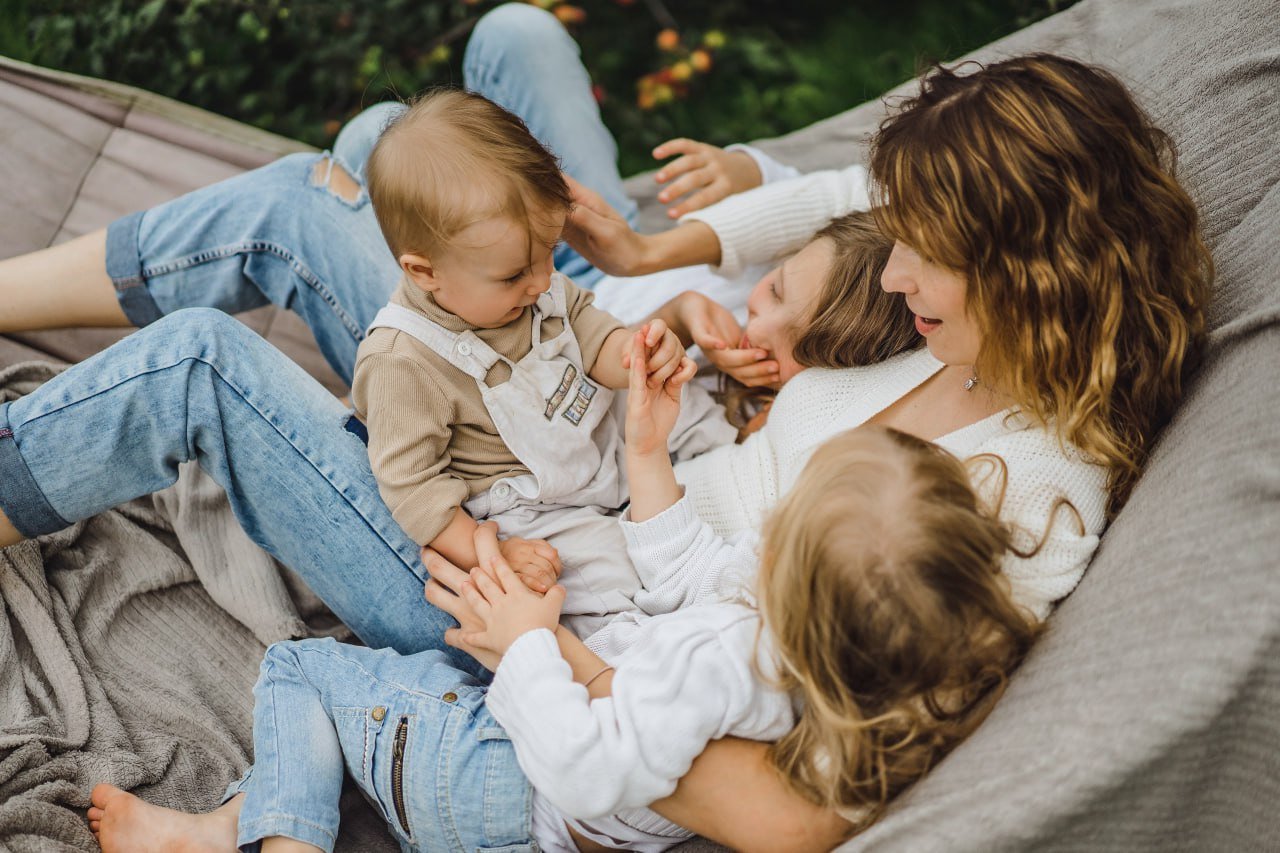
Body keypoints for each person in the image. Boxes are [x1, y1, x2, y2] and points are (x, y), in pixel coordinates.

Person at [0, 4, 1211, 845]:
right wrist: (696, 314)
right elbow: (855, 207)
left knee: (217, 351)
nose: (890, 272)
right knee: (384, 145)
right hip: (628, 469)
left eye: (924, 259)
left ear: (1025, 273)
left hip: (542, 585)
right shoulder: (969, 329)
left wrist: (541, 648)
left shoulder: (1025, 502)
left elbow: (790, 811)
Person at [87, 336, 1037, 853]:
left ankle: (254, 840)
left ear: (792, 578)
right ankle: (239, 820)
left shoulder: (722, 663)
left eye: (785, 521)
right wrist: (646, 455)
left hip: (503, 780)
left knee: (304, 668)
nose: (766, 525)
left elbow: (587, 766)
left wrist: (531, 641)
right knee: (396, 677)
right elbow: (690, 572)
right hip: (530, 765)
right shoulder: (833, 662)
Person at [345, 87, 698, 636]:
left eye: (550, 254)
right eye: (513, 275)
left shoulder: (529, 278)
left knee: (700, 428)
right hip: (531, 514)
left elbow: (586, 328)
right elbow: (415, 490)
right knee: (618, 581)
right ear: (424, 272)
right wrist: (491, 556)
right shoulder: (402, 361)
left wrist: (631, 354)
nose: (540, 283)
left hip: (598, 445)